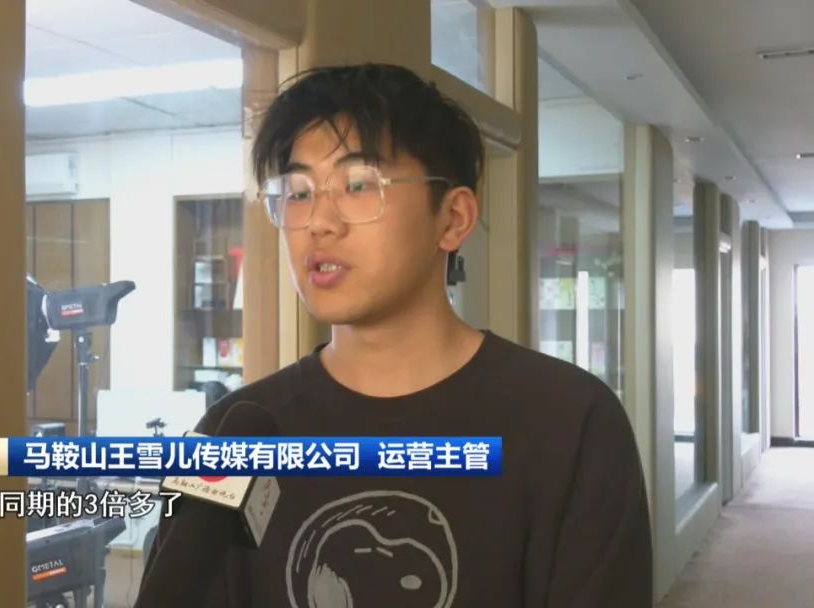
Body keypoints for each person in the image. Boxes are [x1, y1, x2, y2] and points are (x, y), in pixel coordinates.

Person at [140, 63, 652, 607]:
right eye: (297, 192)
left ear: (453, 219)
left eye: (358, 185)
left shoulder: (571, 422)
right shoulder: (229, 436)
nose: (319, 222)